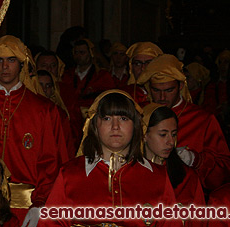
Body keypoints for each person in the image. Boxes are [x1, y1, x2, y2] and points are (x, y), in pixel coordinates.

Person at [0, 35, 70, 227]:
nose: (5, 66)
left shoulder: (44, 109)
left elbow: (52, 161)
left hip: (27, 209)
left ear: (22, 64)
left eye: (11, 60)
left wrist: (41, 204)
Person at [42, 90, 179, 227]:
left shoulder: (158, 177)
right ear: (95, 125)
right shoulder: (69, 175)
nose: (115, 127)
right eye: (107, 118)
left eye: (123, 119)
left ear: (135, 125)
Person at [138, 54, 230, 192]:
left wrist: (196, 160)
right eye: (156, 90)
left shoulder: (203, 119)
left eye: (169, 90)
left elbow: (225, 173)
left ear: (181, 86)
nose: (162, 97)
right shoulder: (140, 113)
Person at [142, 103, 205, 221]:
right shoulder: (129, 173)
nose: (171, 141)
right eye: (163, 134)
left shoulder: (187, 177)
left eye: (174, 134)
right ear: (144, 134)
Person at [59, 39, 114, 113]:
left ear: (91, 53)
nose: (78, 56)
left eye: (82, 52)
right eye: (76, 52)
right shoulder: (67, 75)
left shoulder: (102, 76)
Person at [125, 41, 164, 106]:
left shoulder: (167, 95)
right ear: (131, 68)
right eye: (138, 63)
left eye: (148, 63)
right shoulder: (125, 94)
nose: (143, 68)